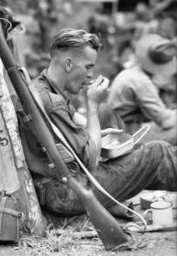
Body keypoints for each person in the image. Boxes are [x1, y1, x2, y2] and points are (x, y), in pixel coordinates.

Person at [16, 28, 177, 216]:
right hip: (67, 194)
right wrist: (92, 104)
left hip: (62, 186)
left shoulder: (42, 87)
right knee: (156, 152)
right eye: (88, 67)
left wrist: (99, 133)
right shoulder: (51, 102)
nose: (91, 74)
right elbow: (90, 161)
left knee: (149, 153)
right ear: (68, 64)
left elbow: (76, 130)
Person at [108, 33, 177, 145]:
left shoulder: (131, 72)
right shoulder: (142, 83)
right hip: (128, 135)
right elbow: (166, 122)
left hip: (119, 128)